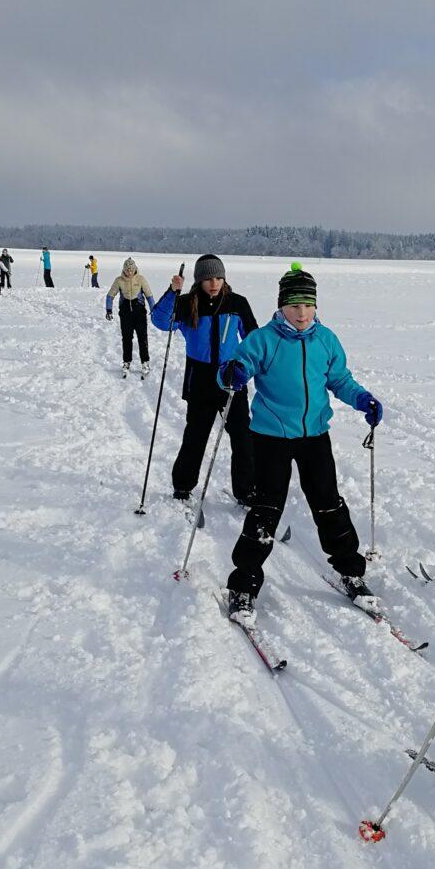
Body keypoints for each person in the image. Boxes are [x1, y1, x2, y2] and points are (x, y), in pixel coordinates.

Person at [217, 262, 382, 627]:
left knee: (329, 503)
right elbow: (235, 365)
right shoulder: (264, 339)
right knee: (266, 510)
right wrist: (234, 373)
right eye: (295, 305)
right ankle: (243, 585)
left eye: (308, 305)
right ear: (282, 306)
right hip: (271, 437)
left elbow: (340, 380)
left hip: (314, 437)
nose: (302, 313)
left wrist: (362, 399)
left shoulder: (326, 340)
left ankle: (351, 572)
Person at [150, 254, 258, 504]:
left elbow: (254, 339)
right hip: (200, 379)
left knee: (243, 436)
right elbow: (160, 321)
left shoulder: (237, 303)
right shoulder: (187, 303)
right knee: (196, 436)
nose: (214, 282)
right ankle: (183, 486)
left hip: (232, 379)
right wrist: (171, 292)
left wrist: (244, 366)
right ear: (199, 280)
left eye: (219, 277)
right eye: (208, 278)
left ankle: (247, 490)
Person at [105, 258, 155, 377]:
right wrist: (109, 310)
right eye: (127, 269)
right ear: (124, 269)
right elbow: (110, 296)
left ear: (135, 269)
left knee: (142, 338)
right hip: (125, 313)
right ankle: (127, 362)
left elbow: (149, 295)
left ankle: (145, 362)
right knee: (127, 339)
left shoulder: (141, 279)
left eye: (132, 269)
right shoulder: (119, 280)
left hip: (140, 313)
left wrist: (154, 310)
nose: (129, 272)